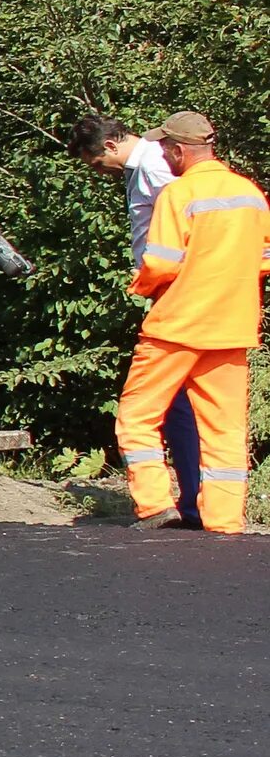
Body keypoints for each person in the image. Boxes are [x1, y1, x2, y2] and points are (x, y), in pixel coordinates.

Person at [115, 110, 268, 534]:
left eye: (165, 148)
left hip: (178, 325)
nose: (163, 155)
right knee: (224, 428)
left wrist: (141, 286)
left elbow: (161, 263)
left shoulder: (179, 194)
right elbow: (263, 261)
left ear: (180, 150)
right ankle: (224, 522)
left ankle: (153, 505)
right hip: (232, 326)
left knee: (137, 416)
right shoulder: (251, 193)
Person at [71, 112, 199, 520]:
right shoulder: (145, 165)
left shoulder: (154, 165)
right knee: (182, 399)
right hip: (178, 289)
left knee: (164, 400)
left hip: (179, 291)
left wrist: (164, 273)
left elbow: (190, 215)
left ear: (109, 146)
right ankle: (194, 502)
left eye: (96, 163)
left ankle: (183, 501)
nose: (99, 171)